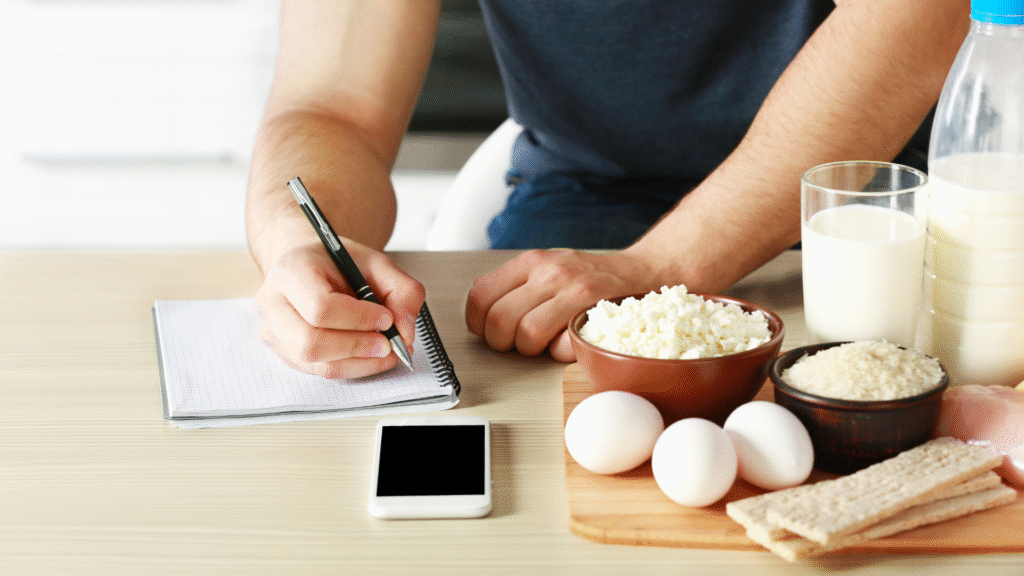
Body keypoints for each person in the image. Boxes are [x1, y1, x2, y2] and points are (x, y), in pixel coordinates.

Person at [246, 0, 970, 379]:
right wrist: (301, 244)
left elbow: (915, 16)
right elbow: (331, 105)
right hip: (585, 217)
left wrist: (661, 271)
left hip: (868, 213)